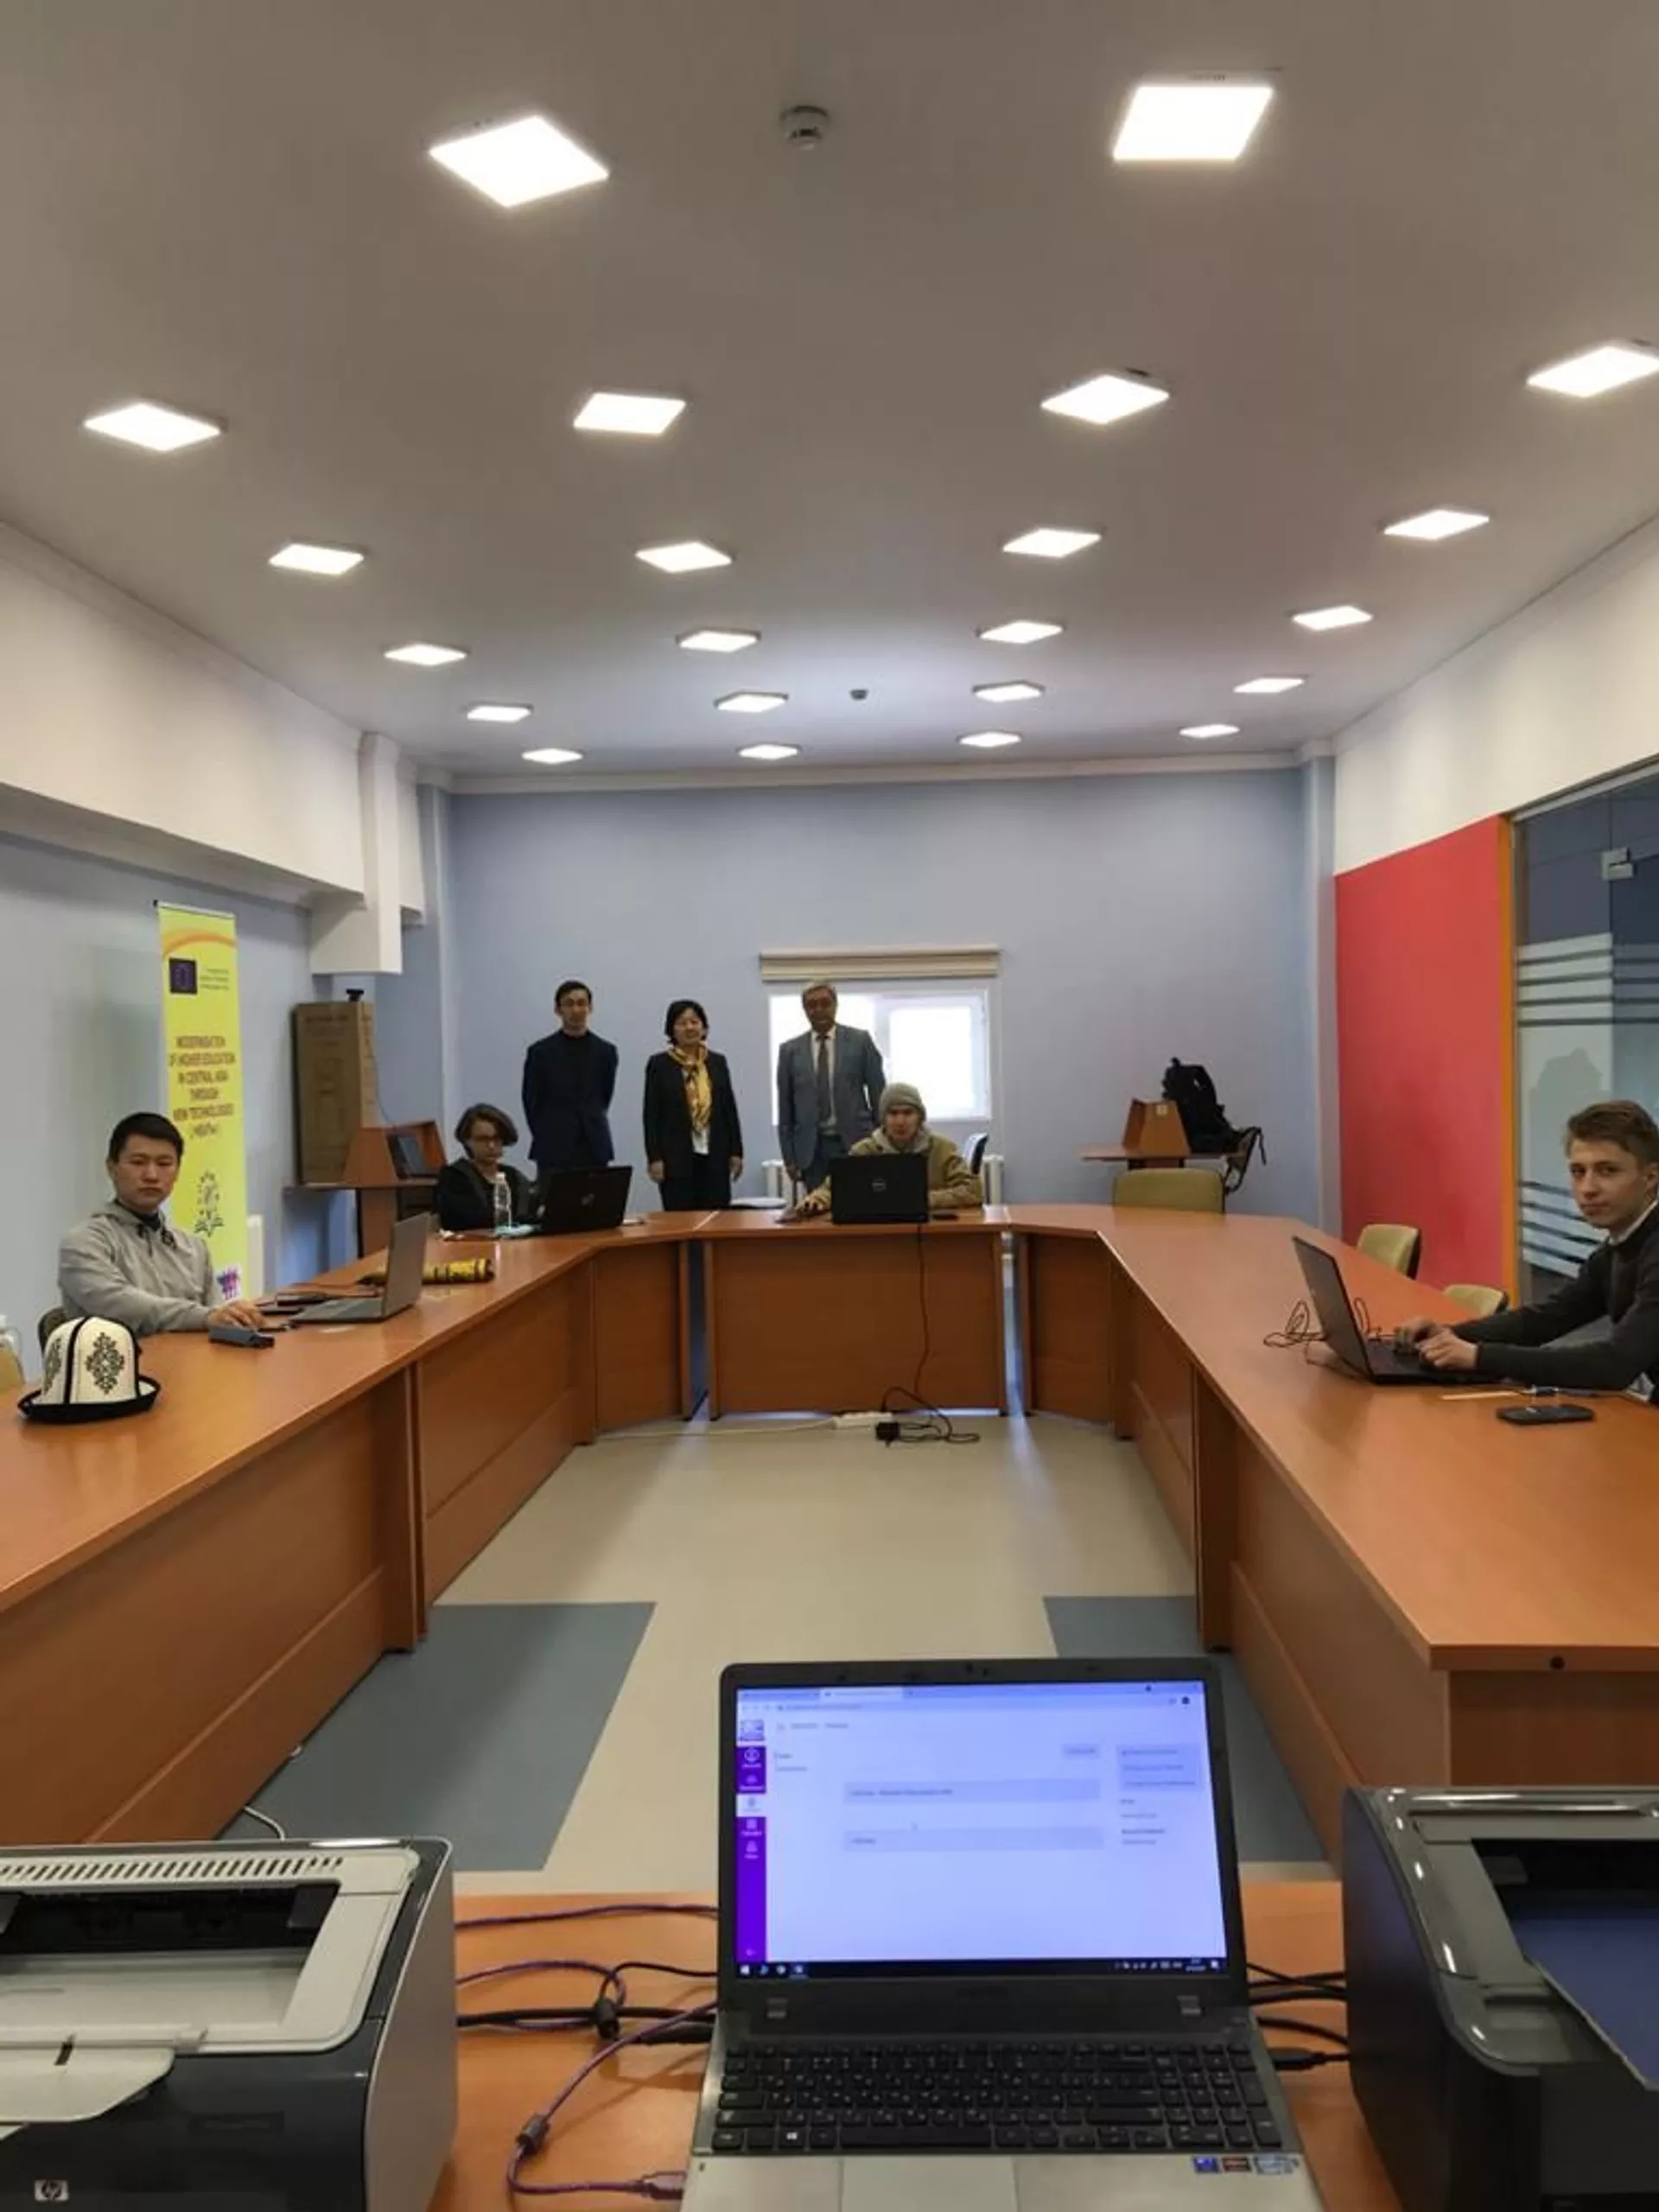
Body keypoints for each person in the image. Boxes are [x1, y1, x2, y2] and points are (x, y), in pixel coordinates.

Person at [1405, 1099, 1659, 1394]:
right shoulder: (1619, 1247)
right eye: (1578, 1172)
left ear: (1650, 1178)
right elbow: (1546, 1318)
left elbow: (1613, 1365)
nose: (1588, 1188)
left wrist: (1479, 1357)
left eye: (1608, 1171)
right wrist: (1449, 1336)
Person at [60, 1111, 265, 1336]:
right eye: (138, 1162)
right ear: (111, 1167)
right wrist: (204, 1317)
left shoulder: (194, 1247)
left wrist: (236, 1317)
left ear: (177, 1171)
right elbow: (122, 1306)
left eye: (164, 1163)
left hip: (194, 1358)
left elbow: (216, 1319)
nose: (151, 1175)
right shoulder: (84, 1243)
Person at [799, 1081, 982, 1215]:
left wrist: (923, 1199)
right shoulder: (864, 1151)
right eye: (893, 1113)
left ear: (920, 1117)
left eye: (908, 1113)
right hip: (875, 1236)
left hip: (929, 1235)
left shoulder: (942, 1149)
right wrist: (816, 1200)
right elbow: (832, 1189)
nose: (900, 1121)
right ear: (883, 1119)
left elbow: (973, 1191)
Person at [775, 981, 886, 1195]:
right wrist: (789, 1157)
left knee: (859, 1203)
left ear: (836, 1005)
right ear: (804, 1009)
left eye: (825, 1003)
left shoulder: (860, 1042)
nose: (819, 1010)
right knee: (818, 1207)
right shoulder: (789, 1050)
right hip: (811, 1150)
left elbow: (879, 1097)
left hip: (856, 1143)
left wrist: (881, 1143)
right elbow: (785, 1109)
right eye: (812, 1005)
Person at [644, 999, 744, 1211]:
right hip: (675, 1159)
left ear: (704, 1027)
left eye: (695, 1022)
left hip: (715, 1154)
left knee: (717, 1218)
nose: (689, 1027)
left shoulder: (717, 1062)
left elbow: (729, 1109)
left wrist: (736, 1152)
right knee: (681, 1221)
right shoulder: (659, 1065)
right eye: (682, 1023)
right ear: (671, 1030)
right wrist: (655, 1158)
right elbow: (651, 1115)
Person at [521, 981, 619, 1179]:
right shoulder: (540, 1052)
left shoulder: (606, 1051)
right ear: (558, 1010)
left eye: (582, 1003)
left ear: (590, 1008)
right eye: (569, 1004)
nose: (576, 1010)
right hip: (553, 1145)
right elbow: (531, 1100)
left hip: (594, 1144)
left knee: (598, 1197)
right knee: (553, 1198)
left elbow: (604, 1097)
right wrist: (546, 1131)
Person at [434, 1103, 537, 1233]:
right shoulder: (454, 1177)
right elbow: (470, 1220)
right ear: (467, 1140)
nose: (491, 1145)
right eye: (482, 1139)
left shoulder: (515, 1177)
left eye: (497, 1139)